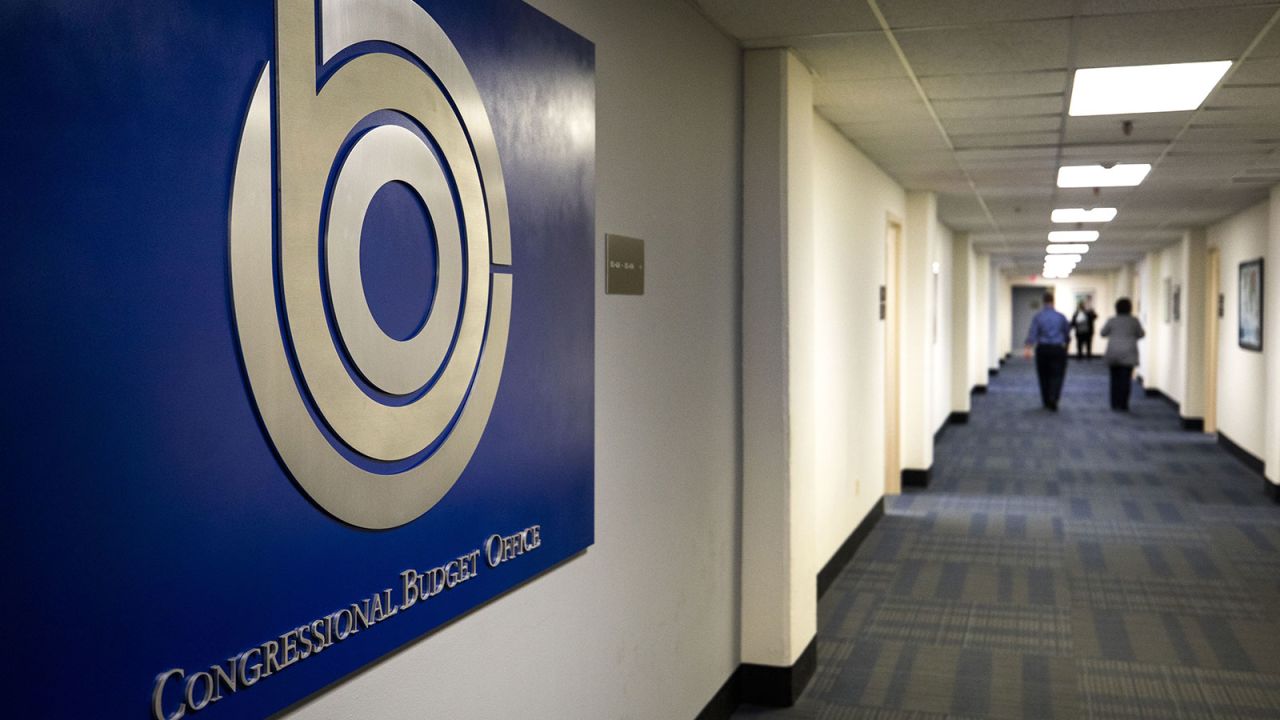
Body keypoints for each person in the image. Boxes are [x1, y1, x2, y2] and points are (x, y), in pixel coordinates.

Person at [1023, 292, 1071, 411]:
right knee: (1058, 375)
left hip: (1043, 349)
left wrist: (1028, 348)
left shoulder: (1038, 316)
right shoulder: (1061, 316)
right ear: (1053, 302)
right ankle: (1054, 398)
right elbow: (1067, 333)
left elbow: (1033, 333)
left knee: (1043, 376)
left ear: (1043, 302)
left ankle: (1046, 400)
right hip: (1057, 349)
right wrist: (1066, 345)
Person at [1100, 297, 1145, 411]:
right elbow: (1141, 334)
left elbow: (1103, 333)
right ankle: (1123, 404)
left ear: (1116, 308)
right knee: (1125, 380)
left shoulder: (1112, 320)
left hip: (1113, 352)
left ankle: (1114, 403)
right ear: (1130, 308)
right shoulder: (1134, 321)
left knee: (1114, 379)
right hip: (1129, 352)